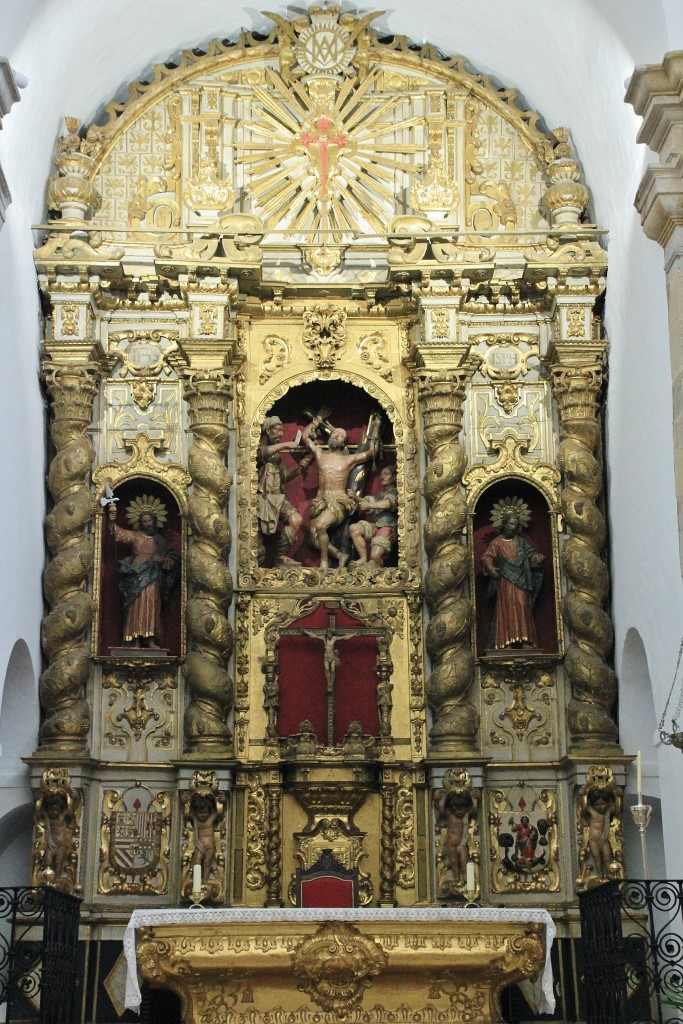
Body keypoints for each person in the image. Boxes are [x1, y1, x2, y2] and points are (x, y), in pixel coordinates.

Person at [303, 415, 378, 569]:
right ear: (330, 436)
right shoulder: (319, 454)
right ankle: (339, 555)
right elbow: (305, 436)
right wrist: (316, 421)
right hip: (320, 500)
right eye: (335, 434)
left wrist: (375, 427)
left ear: (344, 442)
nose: (337, 436)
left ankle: (323, 563)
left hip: (338, 501)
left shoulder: (348, 460)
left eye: (341, 436)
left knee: (321, 526)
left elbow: (372, 452)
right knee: (312, 537)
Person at [108, 500, 180, 648]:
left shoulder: (159, 541)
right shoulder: (135, 536)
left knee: (152, 605)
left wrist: (165, 561)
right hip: (136, 575)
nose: (148, 524)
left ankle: (150, 639)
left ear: (154, 521)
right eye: (144, 521)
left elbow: (171, 557)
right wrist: (112, 518)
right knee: (136, 606)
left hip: (153, 576)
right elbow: (118, 533)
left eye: (150, 521)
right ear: (140, 523)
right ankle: (134, 640)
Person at [481, 506, 544, 650]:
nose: (512, 527)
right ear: (503, 524)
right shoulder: (497, 542)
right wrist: (491, 567)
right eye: (510, 524)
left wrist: (536, 558)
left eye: (515, 525)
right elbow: (486, 557)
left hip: (522, 580)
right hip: (505, 580)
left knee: (522, 605)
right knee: (507, 608)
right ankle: (505, 642)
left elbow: (530, 555)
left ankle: (525, 640)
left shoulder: (521, 541)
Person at [257, 415, 313, 565]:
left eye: (283, 431)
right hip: (261, 499)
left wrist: (300, 468)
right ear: (268, 430)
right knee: (257, 543)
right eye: (278, 430)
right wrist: (287, 444)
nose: (281, 434)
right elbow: (262, 452)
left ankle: (280, 557)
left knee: (296, 520)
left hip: (277, 497)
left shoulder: (276, 456)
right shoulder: (257, 449)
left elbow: (284, 476)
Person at [349, 464, 398, 568]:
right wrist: (355, 497)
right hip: (376, 527)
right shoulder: (379, 495)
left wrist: (370, 505)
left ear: (394, 477)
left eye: (386, 474)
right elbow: (367, 501)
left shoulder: (396, 492)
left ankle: (376, 563)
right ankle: (363, 558)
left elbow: (388, 503)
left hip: (387, 528)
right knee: (354, 528)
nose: (382, 477)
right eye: (381, 474)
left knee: (375, 557)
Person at [443, 790, 473, 883]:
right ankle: (456, 877)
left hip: (462, 843)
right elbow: (441, 808)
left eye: (462, 809)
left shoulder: (466, 815)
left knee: (464, 860)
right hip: (451, 843)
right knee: (454, 861)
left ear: (466, 808)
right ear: (452, 808)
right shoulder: (450, 815)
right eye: (456, 809)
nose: (459, 812)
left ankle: (465, 877)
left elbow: (474, 808)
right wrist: (437, 797)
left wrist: (476, 796)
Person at [584, 787, 615, 880]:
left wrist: (617, 794)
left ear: (607, 804)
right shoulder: (593, 812)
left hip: (604, 838)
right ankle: (599, 874)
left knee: (607, 857)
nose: (600, 807)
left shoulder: (607, 813)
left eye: (602, 804)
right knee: (597, 857)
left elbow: (615, 806)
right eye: (597, 805)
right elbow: (584, 805)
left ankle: (609, 874)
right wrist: (583, 794)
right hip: (593, 838)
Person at [190, 793, 218, 884]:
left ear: (209, 812)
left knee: (207, 863)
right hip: (199, 845)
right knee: (197, 862)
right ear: (195, 812)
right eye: (200, 813)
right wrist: (184, 800)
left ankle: (205, 881)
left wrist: (222, 800)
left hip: (210, 846)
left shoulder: (211, 818)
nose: (203, 815)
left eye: (205, 812)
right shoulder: (195, 819)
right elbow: (187, 813)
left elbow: (220, 812)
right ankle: (197, 882)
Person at [42, 792, 69, 879]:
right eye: (51, 810)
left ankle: (57, 879)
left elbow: (70, 810)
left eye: (56, 810)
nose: (54, 812)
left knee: (58, 862)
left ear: (60, 810)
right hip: (50, 844)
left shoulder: (61, 817)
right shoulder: (48, 818)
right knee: (47, 862)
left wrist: (73, 797)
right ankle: (48, 879)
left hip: (61, 845)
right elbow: (40, 810)